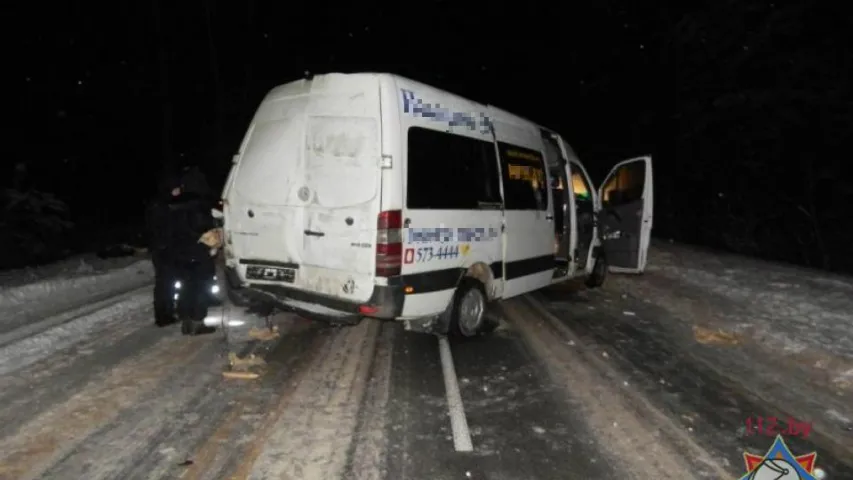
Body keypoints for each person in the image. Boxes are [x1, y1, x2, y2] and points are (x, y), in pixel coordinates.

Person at [145, 165, 218, 335]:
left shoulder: (169, 204)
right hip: (194, 250)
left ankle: (184, 320)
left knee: (186, 286)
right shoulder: (196, 204)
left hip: (177, 251)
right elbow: (201, 228)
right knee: (200, 285)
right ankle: (196, 321)